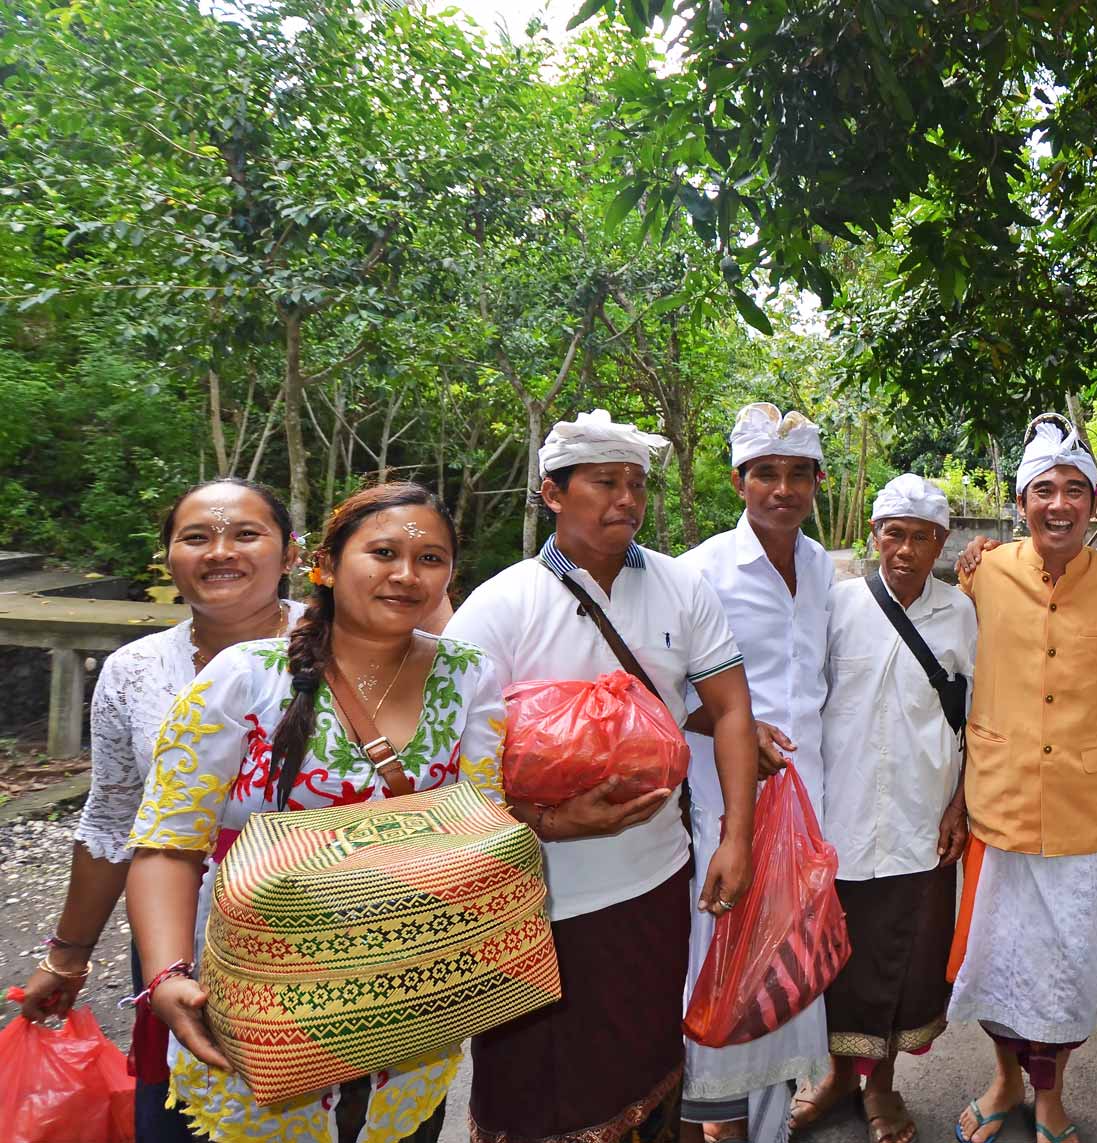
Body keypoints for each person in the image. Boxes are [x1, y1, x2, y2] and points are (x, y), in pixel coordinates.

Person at [125, 481, 506, 1143]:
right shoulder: (244, 676)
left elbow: (482, 827)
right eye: (383, 551)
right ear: (326, 565)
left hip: (407, 1015)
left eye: (431, 558)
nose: (406, 574)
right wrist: (164, 976)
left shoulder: (471, 675)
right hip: (257, 1014)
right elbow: (167, 842)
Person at [446, 409, 759, 1143]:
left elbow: (733, 710)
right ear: (553, 494)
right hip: (535, 898)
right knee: (533, 1081)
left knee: (646, 1054)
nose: (626, 499)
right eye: (605, 482)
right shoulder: (499, 608)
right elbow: (454, 772)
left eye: (636, 485)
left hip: (654, 877)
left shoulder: (681, 589)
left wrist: (735, 837)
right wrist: (549, 821)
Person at [16, 477, 301, 1143]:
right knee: (184, 1119)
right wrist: (67, 955)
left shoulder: (349, 648)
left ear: (290, 553)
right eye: (196, 537)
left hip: (326, 942)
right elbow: (115, 820)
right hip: (180, 948)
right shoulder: (135, 671)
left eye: (246, 534)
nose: (220, 551)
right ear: (168, 557)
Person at [947, 414, 1097, 1143]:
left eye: (1073, 490)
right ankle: (1004, 1078)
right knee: (997, 958)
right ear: (1021, 500)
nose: (1058, 504)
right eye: (1043, 490)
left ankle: (1051, 1091)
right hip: (998, 800)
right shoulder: (984, 574)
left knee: (1065, 965)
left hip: (1082, 810)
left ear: (1094, 502)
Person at [676, 402, 834, 1143]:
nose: (783, 488)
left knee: (785, 964)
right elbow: (666, 687)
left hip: (806, 808)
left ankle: (767, 1123)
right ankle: (723, 1123)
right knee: (727, 962)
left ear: (817, 482)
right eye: (766, 473)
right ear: (739, 481)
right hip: (728, 803)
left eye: (798, 473)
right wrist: (735, 726)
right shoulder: (701, 571)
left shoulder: (821, 564)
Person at [808, 474, 975, 1143]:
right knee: (836, 962)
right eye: (894, 534)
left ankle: (882, 1086)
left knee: (904, 962)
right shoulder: (838, 606)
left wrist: (960, 803)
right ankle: (835, 1079)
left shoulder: (960, 613)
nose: (905, 549)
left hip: (920, 818)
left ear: (942, 542)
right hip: (840, 818)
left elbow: (977, 718)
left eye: (921, 537)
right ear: (874, 535)